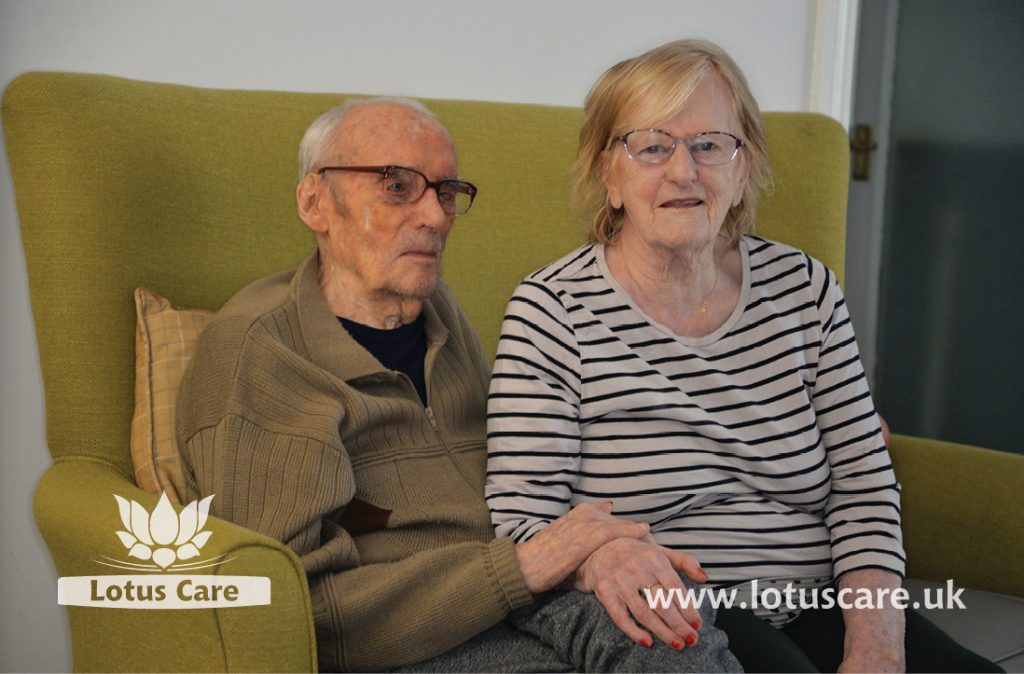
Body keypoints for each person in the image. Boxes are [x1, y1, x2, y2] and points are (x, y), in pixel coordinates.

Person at [486, 39, 1002, 673]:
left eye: (709, 144)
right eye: (651, 145)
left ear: (744, 167)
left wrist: (876, 643)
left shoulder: (805, 288)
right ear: (608, 174)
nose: (684, 171)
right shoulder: (552, 309)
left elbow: (863, 483)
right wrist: (599, 560)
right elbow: (523, 517)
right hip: (685, 604)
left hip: (821, 597)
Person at [176, 96, 740, 672]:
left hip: (525, 591)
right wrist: (518, 569)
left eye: (445, 192)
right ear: (315, 202)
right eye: (397, 186)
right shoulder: (266, 352)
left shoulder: (435, 310)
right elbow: (290, 613)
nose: (434, 216)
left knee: (673, 622)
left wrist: (596, 550)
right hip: (418, 635)